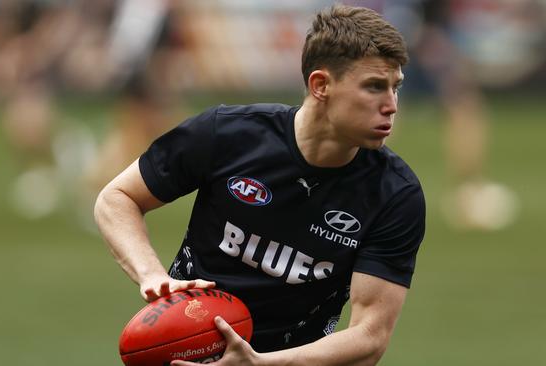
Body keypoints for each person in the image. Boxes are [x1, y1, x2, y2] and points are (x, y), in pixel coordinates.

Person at [94, 4, 425, 365]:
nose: (392, 105)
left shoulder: (396, 194)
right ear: (320, 85)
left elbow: (370, 338)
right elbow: (117, 197)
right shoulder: (228, 134)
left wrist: (260, 364)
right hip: (187, 348)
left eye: (396, 87)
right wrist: (153, 277)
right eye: (374, 87)